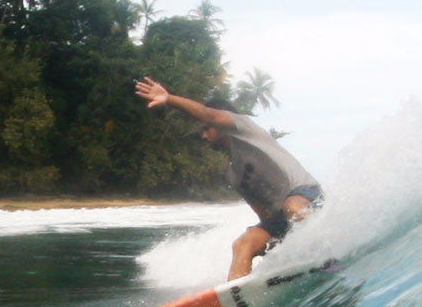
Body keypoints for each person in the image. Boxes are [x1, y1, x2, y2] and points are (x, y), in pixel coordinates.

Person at [135, 77, 323, 280]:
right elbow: (264, 215)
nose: (204, 134)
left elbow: (207, 114)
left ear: (222, 122)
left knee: (292, 206)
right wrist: (275, 251)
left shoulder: (245, 129)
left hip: (308, 196)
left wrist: (168, 98)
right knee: (243, 244)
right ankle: (234, 299)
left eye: (207, 128)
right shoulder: (233, 175)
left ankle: (326, 252)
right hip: (284, 218)